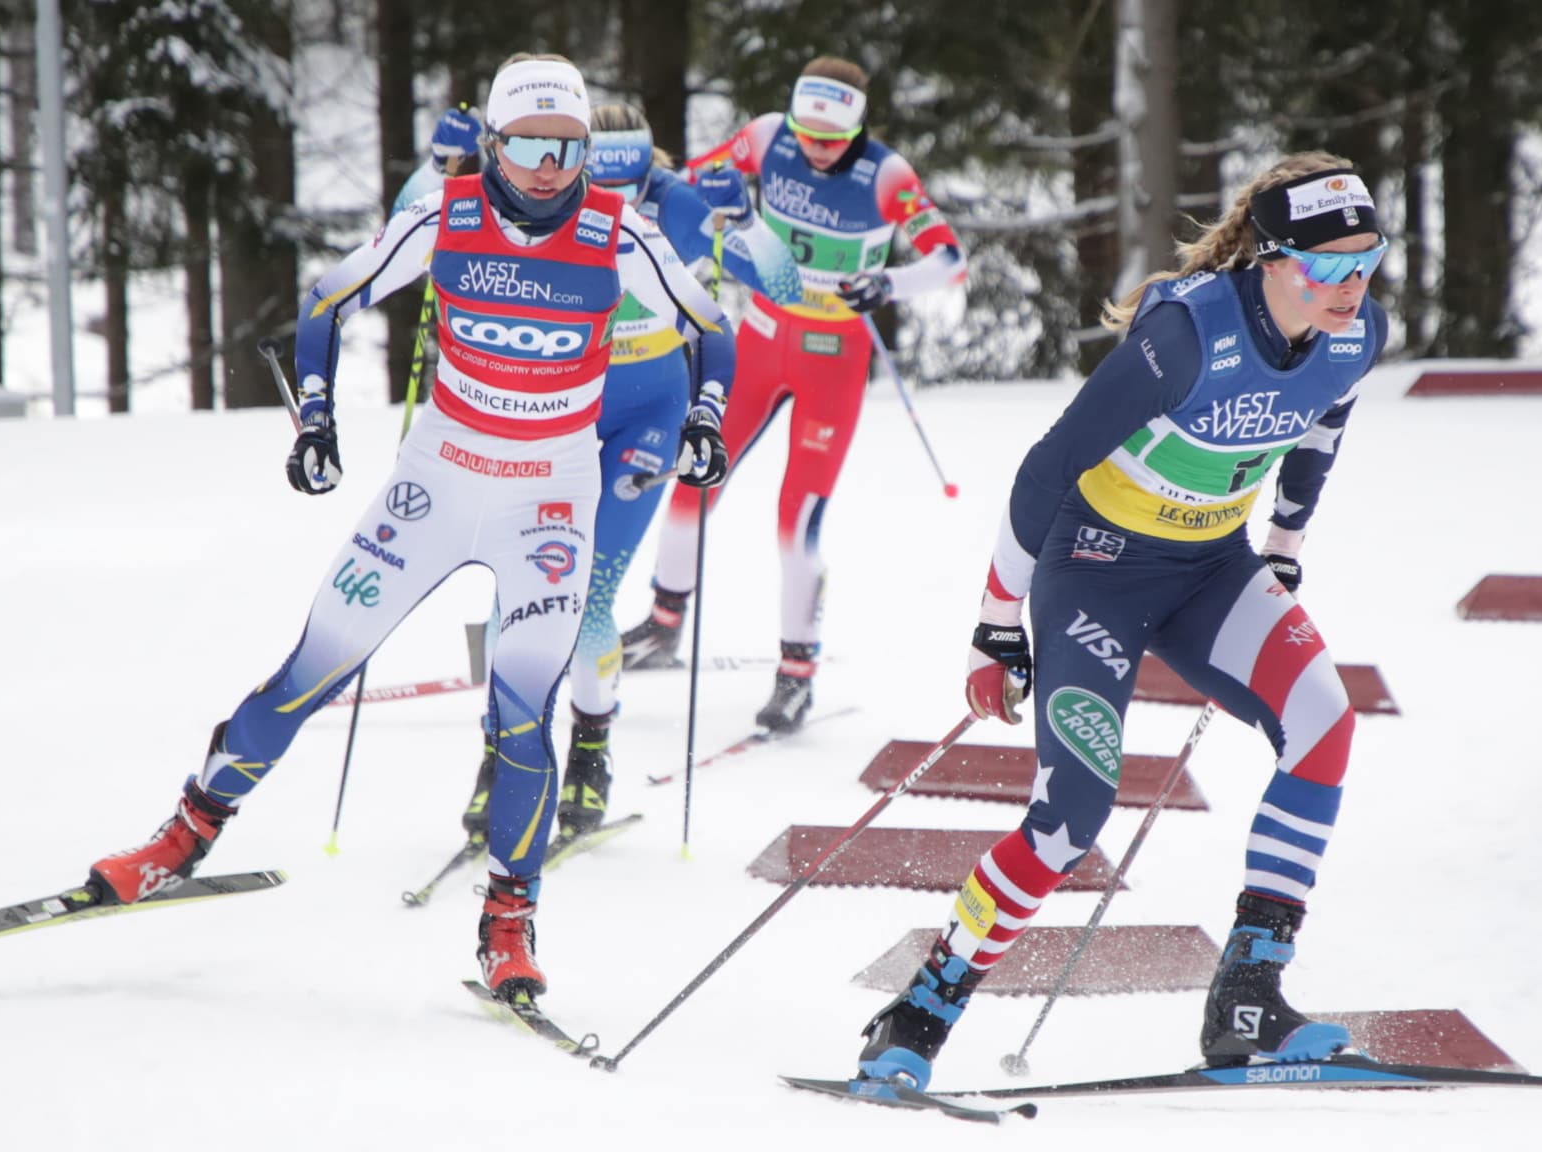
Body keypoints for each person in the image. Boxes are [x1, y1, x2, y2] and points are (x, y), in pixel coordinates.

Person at [87, 54, 734, 1008]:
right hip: (435, 482)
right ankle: (181, 839)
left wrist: (707, 413)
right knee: (314, 667)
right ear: (494, 145)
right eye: (526, 146)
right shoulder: (447, 214)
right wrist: (315, 415)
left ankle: (509, 922)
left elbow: (709, 323)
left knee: (523, 713)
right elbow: (326, 298)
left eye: (567, 149)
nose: (549, 167)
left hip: (548, 499)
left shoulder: (619, 230)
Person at [851, 153, 1390, 1091]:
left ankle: (1249, 996)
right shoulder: (1187, 334)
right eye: (1327, 265)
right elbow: (1046, 468)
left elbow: (1322, 428)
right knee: (1072, 816)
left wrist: (1286, 540)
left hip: (1210, 565)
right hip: (1096, 568)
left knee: (1323, 722)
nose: (1352, 285)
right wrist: (995, 623)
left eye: (1367, 259)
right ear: (1269, 258)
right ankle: (925, 1005)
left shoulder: (1356, 332)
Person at [458, 103, 800, 842]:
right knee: (516, 586)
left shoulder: (679, 205)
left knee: (589, 592)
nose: (607, 206)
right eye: (592, 184)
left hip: (646, 412)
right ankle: (500, 753)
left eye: (628, 187)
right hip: (552, 407)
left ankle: (589, 746)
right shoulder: (539, 192)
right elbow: (421, 231)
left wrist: (746, 222)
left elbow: (786, 287)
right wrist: (439, 164)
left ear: (650, 169)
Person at [618, 55, 968, 734]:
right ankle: (663, 624)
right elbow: (689, 183)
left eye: (832, 140)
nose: (814, 148)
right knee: (692, 477)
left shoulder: (886, 174)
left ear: (858, 128)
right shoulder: (768, 135)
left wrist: (889, 283)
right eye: (807, 133)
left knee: (794, 518)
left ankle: (796, 674)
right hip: (759, 339)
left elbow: (949, 259)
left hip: (832, 359)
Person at [392, 105, 484, 213]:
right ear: (455, 157)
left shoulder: (424, 178)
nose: (462, 162)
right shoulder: (432, 195)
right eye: (462, 157)